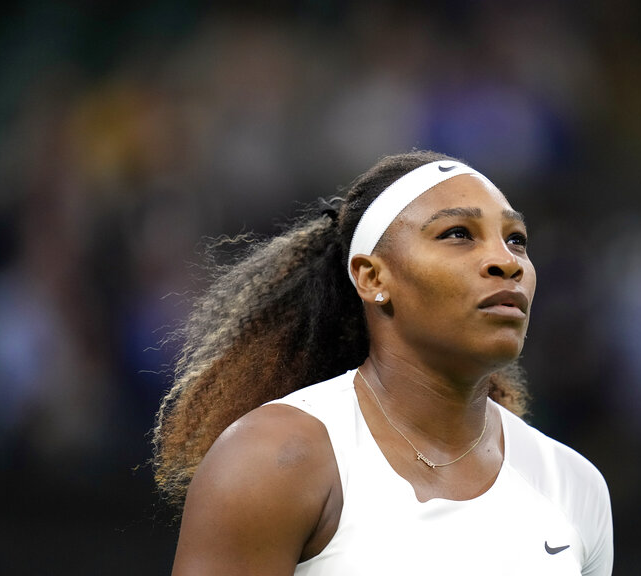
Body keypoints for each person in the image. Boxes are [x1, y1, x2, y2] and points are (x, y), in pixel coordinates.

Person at [152, 150, 613, 575]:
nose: (505, 261)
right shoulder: (275, 456)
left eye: (516, 240)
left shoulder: (574, 485)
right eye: (458, 234)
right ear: (372, 276)